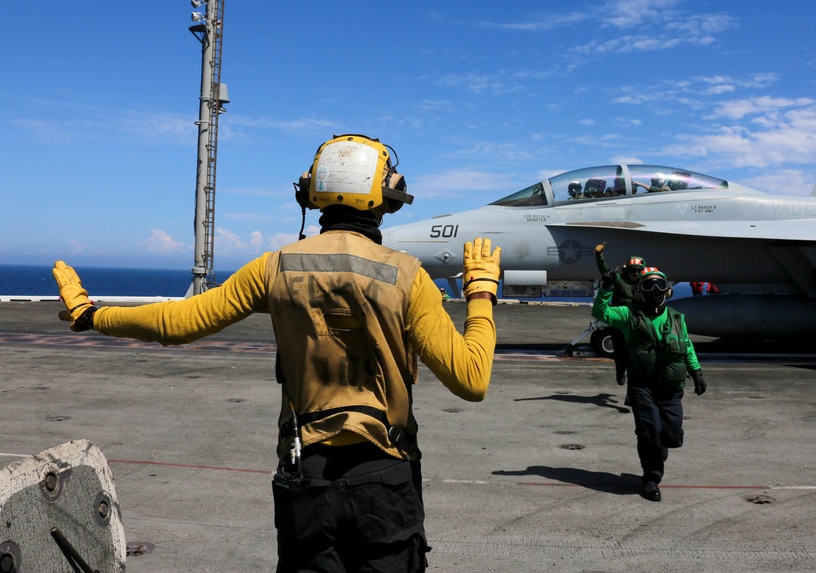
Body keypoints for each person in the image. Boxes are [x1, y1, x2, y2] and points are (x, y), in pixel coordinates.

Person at [53, 133, 502, 572]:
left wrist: (91, 315)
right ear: (386, 197)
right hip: (384, 478)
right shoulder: (407, 276)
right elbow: (471, 379)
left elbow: (179, 323)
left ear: (311, 195)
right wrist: (480, 293)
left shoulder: (274, 267)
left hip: (306, 477)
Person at [591, 266, 706, 502]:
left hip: (671, 388)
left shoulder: (677, 318)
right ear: (639, 291)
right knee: (648, 432)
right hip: (641, 386)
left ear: (668, 291)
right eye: (648, 286)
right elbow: (600, 311)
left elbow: (687, 346)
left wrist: (696, 371)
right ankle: (651, 479)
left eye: (660, 285)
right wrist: (606, 287)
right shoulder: (627, 315)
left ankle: (661, 445)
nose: (654, 290)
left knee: (672, 436)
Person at [593, 243, 646, 386]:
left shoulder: (645, 283)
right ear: (627, 270)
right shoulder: (619, 281)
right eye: (633, 270)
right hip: (619, 321)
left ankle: (632, 391)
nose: (635, 273)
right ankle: (620, 369)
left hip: (637, 323)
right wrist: (600, 258)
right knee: (620, 354)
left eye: (638, 270)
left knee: (636, 357)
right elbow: (606, 273)